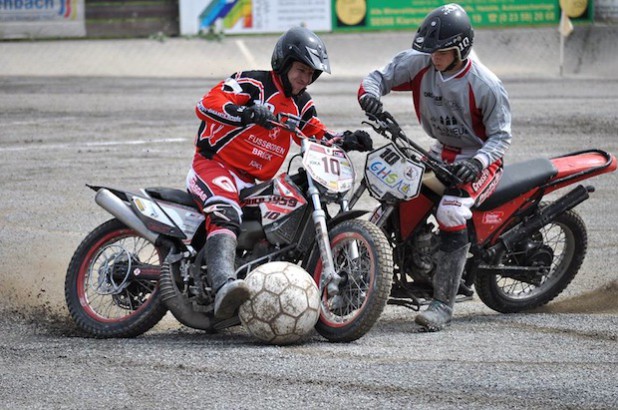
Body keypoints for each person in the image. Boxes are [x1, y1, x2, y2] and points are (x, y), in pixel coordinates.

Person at [187, 26, 373, 320]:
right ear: (283, 64)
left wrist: (346, 138)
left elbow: (315, 132)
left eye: (311, 74)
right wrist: (246, 113)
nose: (305, 78)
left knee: (276, 221)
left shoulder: (301, 103)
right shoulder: (252, 84)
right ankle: (223, 285)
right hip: (214, 166)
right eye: (301, 70)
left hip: (252, 182)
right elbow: (207, 104)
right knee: (226, 212)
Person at [358, 3, 512, 331]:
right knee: (401, 194)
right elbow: (376, 79)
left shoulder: (485, 84)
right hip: (441, 151)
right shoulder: (421, 62)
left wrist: (478, 162)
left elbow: (501, 136)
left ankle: (443, 303)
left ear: (461, 50)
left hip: (479, 157)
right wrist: (370, 96)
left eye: (440, 52)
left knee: (451, 212)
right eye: (429, 51)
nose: (433, 57)